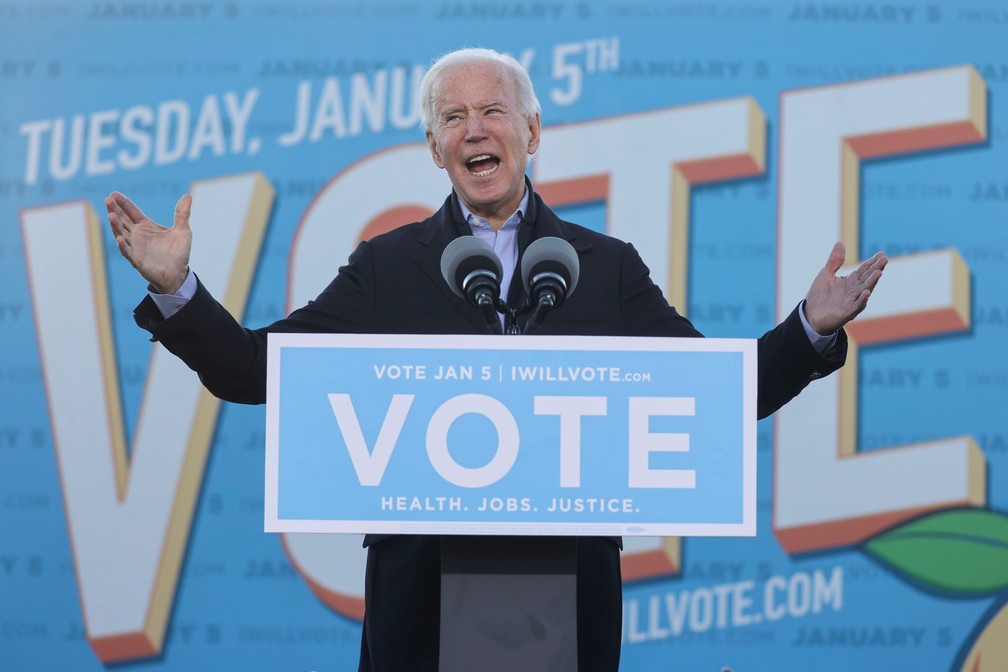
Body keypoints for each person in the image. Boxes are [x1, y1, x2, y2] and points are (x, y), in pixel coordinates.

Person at [106, 48, 886, 671]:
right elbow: (254, 370)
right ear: (435, 148)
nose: (474, 129)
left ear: (532, 133)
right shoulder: (387, 267)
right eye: (454, 117)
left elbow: (716, 394)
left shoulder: (605, 267)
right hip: (422, 604)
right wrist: (180, 292)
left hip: (565, 603)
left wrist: (808, 326)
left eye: (492, 111)